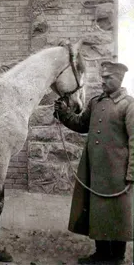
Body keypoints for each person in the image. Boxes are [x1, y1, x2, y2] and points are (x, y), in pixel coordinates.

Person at [54, 60, 134, 264]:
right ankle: (100, 254)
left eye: (108, 78)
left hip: (117, 172)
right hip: (94, 168)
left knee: (117, 212)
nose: (103, 81)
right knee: (97, 210)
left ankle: (116, 257)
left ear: (119, 79)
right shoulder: (95, 102)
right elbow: (81, 124)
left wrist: (131, 174)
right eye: (102, 77)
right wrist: (63, 113)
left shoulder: (129, 105)